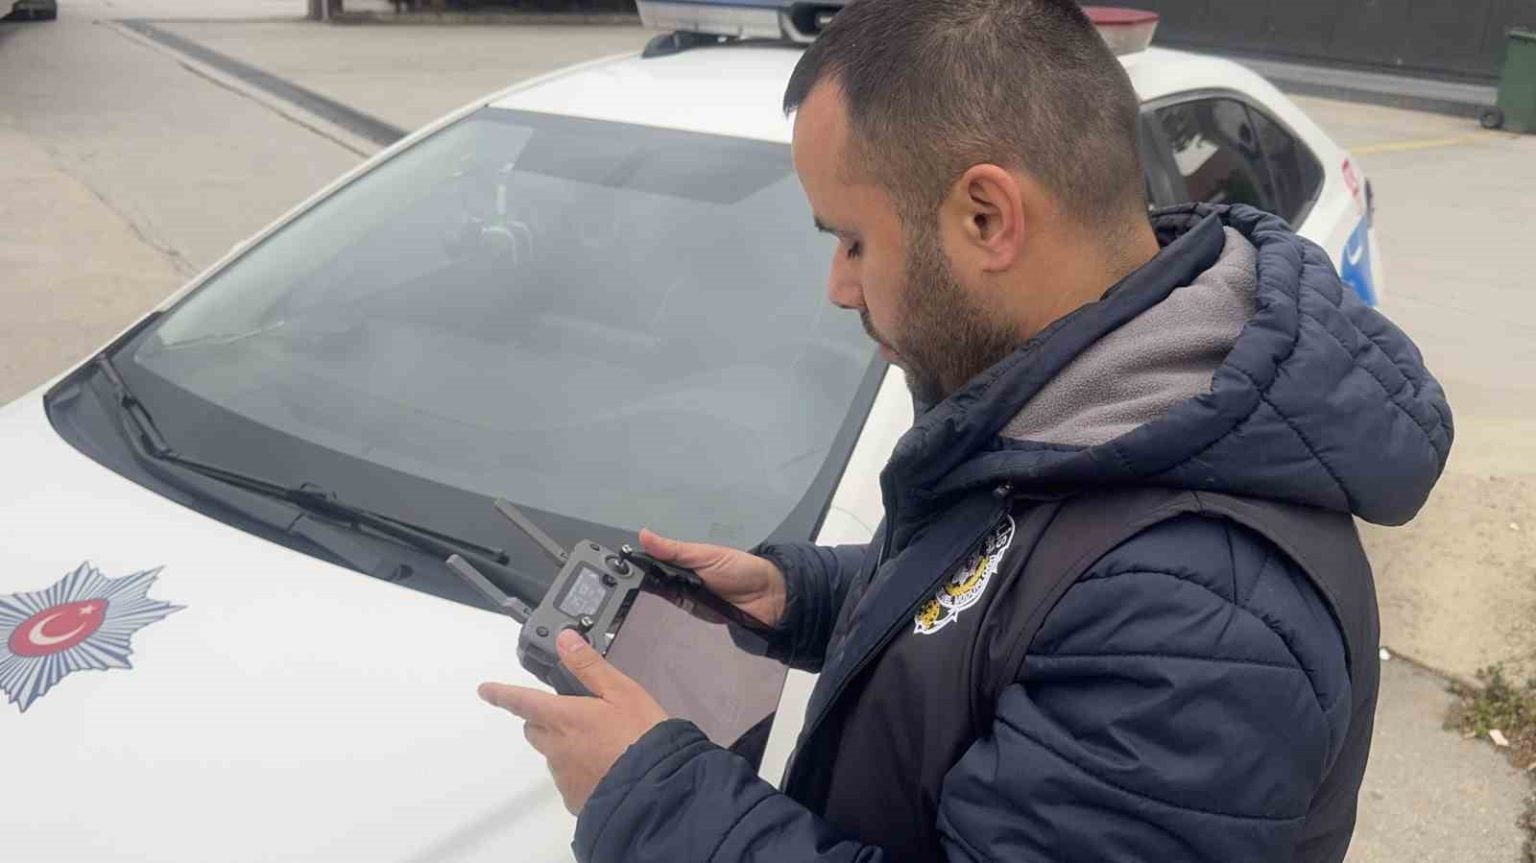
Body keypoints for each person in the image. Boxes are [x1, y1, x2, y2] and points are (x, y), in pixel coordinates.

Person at [475, 0, 1453, 860]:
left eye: (853, 239)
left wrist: (653, 806)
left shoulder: (1199, 618)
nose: (839, 286)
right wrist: (806, 598)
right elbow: (1012, 587)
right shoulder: (1084, 414)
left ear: (987, 216)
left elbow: (1068, 598)